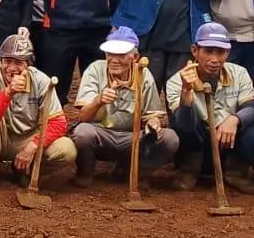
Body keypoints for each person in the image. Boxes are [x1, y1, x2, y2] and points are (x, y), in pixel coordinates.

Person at [67, 27, 179, 187]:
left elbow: (152, 115)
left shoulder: (144, 74)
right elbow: (82, 118)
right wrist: (98, 101)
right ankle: (85, 172)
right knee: (82, 132)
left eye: (121, 54)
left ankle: (137, 172)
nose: (114, 59)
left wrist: (153, 123)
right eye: (110, 53)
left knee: (169, 138)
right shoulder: (95, 69)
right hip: (101, 135)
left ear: (135, 57)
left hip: (132, 137)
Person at [166, 23, 254, 194]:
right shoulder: (176, 81)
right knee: (182, 128)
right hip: (198, 145)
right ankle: (189, 172)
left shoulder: (239, 73)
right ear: (194, 50)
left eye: (221, 52)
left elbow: (252, 108)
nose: (215, 59)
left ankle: (235, 173)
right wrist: (186, 95)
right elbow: (183, 124)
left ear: (228, 52)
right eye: (208, 51)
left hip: (228, 143)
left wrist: (234, 120)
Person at [0, 31, 74, 189]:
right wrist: (8, 92)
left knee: (66, 149)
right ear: (0, 61)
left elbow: (58, 123)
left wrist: (32, 146)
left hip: (27, 137)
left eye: (19, 62)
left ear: (29, 64)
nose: (12, 68)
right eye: (7, 61)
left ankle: (24, 169)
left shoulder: (41, 80)